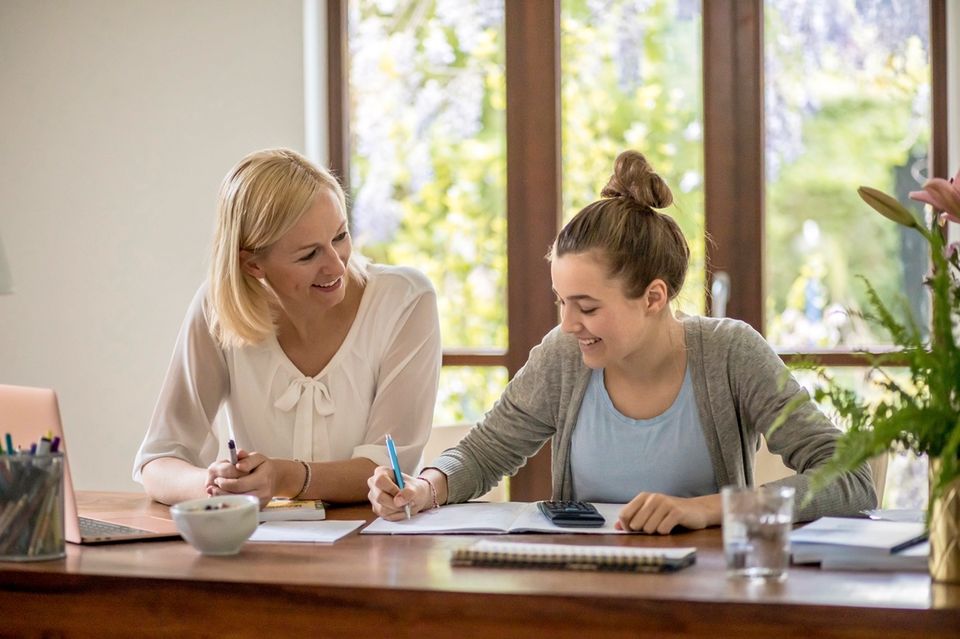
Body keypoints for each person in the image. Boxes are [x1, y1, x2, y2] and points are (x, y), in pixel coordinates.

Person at [368, 150, 876, 533]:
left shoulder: (730, 353)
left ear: (654, 297)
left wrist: (708, 509)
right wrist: (425, 486)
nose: (568, 324)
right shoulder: (564, 357)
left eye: (587, 307)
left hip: (710, 600)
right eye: (561, 302)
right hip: (590, 594)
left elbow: (851, 480)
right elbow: (482, 452)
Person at [134, 148, 441, 507]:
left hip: (375, 547)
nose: (336, 266)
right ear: (252, 265)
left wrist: (283, 477)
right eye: (309, 255)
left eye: (340, 237)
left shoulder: (404, 301)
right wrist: (216, 483)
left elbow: (388, 470)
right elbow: (157, 462)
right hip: (259, 552)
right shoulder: (218, 307)